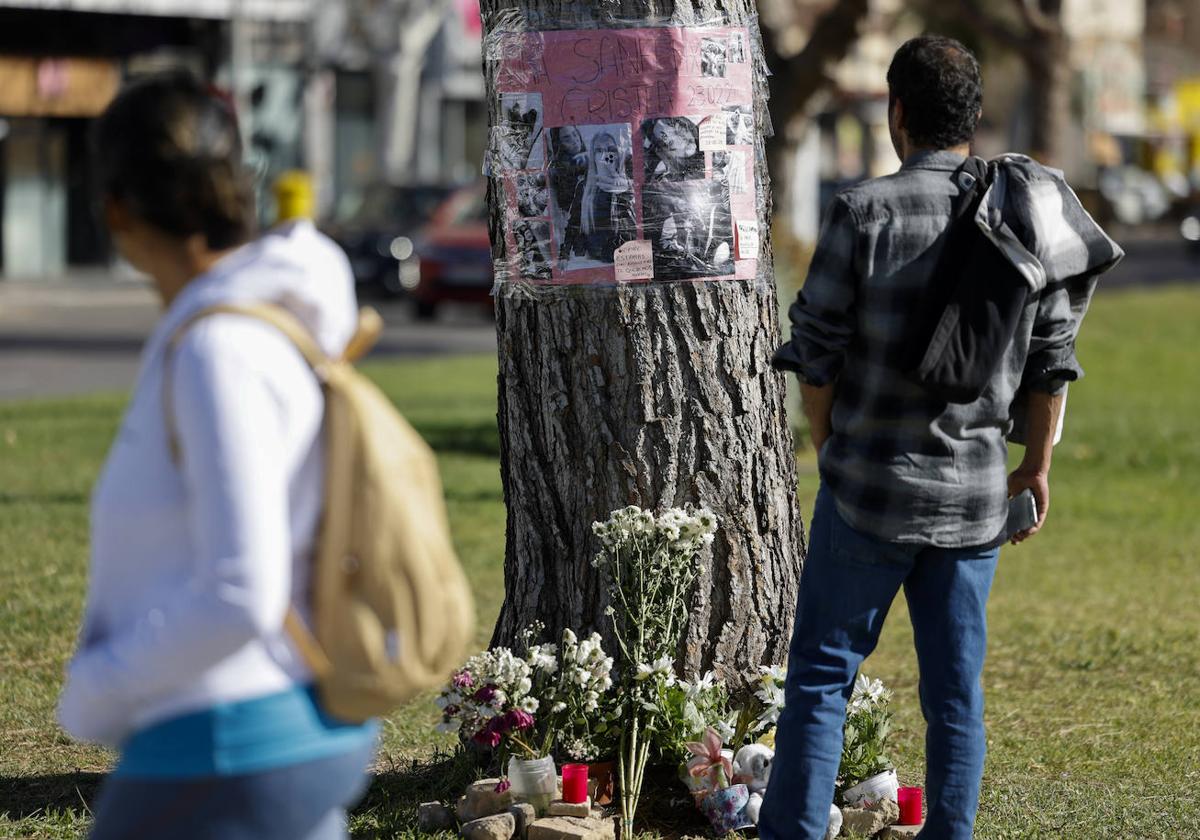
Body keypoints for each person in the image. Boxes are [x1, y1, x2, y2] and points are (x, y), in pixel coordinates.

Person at [762, 36, 1121, 840]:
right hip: (972, 501)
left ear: (896, 113)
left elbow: (815, 352)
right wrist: (1036, 465)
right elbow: (1052, 360)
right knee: (955, 697)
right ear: (975, 118)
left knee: (822, 678)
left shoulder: (861, 211)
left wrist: (829, 445)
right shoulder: (1023, 209)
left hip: (865, 493)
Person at [56, 71, 376, 840]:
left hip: (226, 744)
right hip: (286, 731)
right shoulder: (258, 319)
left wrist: (96, 689)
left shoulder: (219, 349)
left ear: (115, 208)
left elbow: (241, 590)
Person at [559, 130, 636, 267]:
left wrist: (621, 186)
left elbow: (635, 224)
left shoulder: (628, 186)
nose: (605, 155)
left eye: (610, 150)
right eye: (599, 151)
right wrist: (564, 255)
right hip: (595, 258)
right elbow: (574, 223)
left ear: (618, 155)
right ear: (593, 156)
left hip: (625, 257)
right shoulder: (584, 187)